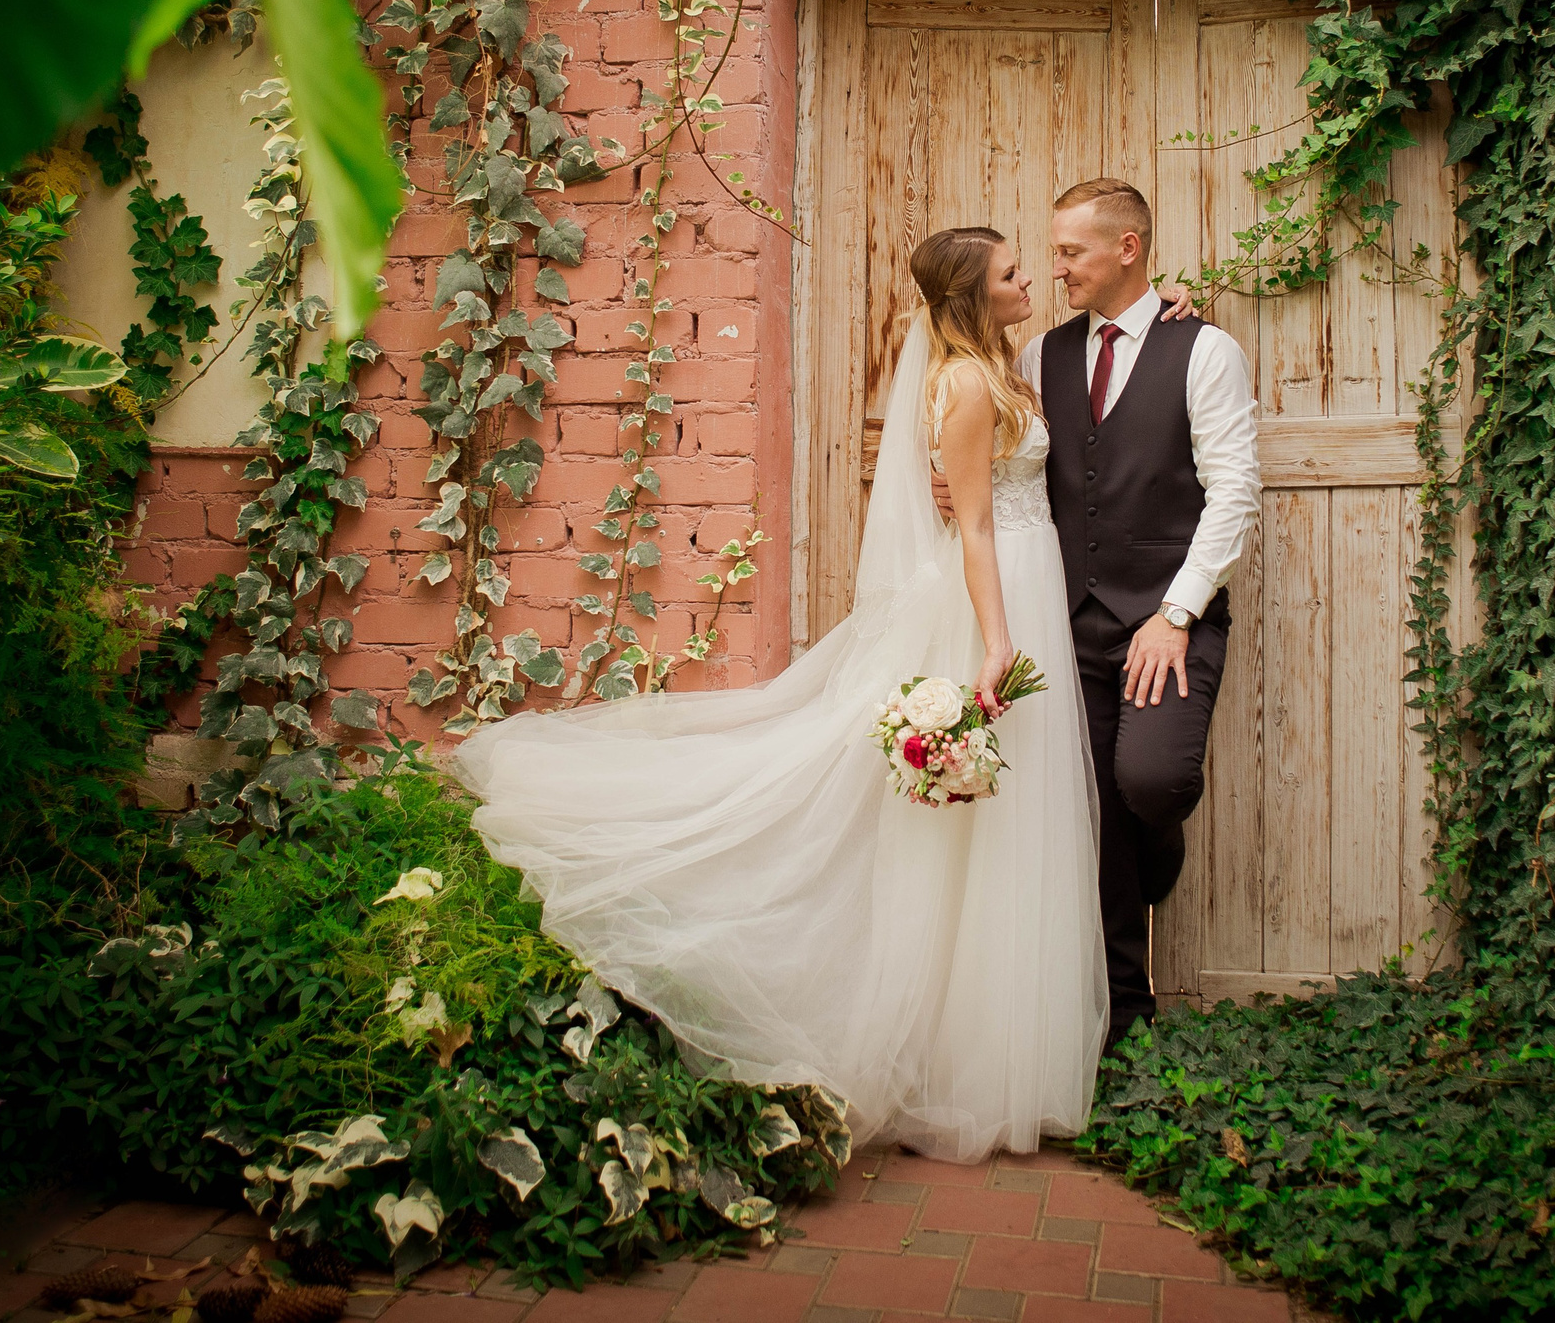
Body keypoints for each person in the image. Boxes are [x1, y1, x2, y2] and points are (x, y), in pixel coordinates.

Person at [455, 226, 1106, 1161]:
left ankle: (1002, 1059)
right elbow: (972, 526)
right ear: (973, 297)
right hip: (996, 602)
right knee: (972, 824)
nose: (1028, 277)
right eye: (1010, 273)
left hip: (1029, 584)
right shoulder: (966, 384)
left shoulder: (1005, 365)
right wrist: (998, 641)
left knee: (1011, 825)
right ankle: (961, 1063)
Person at [940, 179, 1260, 1049]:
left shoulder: (1205, 352)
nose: (1056, 268)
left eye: (1071, 251)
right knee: (1091, 814)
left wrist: (1177, 614)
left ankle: (1161, 853)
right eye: (1051, 252)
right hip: (1065, 620)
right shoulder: (1038, 356)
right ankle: (1124, 1009)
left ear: (1128, 248)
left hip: (1168, 620)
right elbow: (998, 449)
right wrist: (949, 483)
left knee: (1149, 783)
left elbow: (1235, 492)